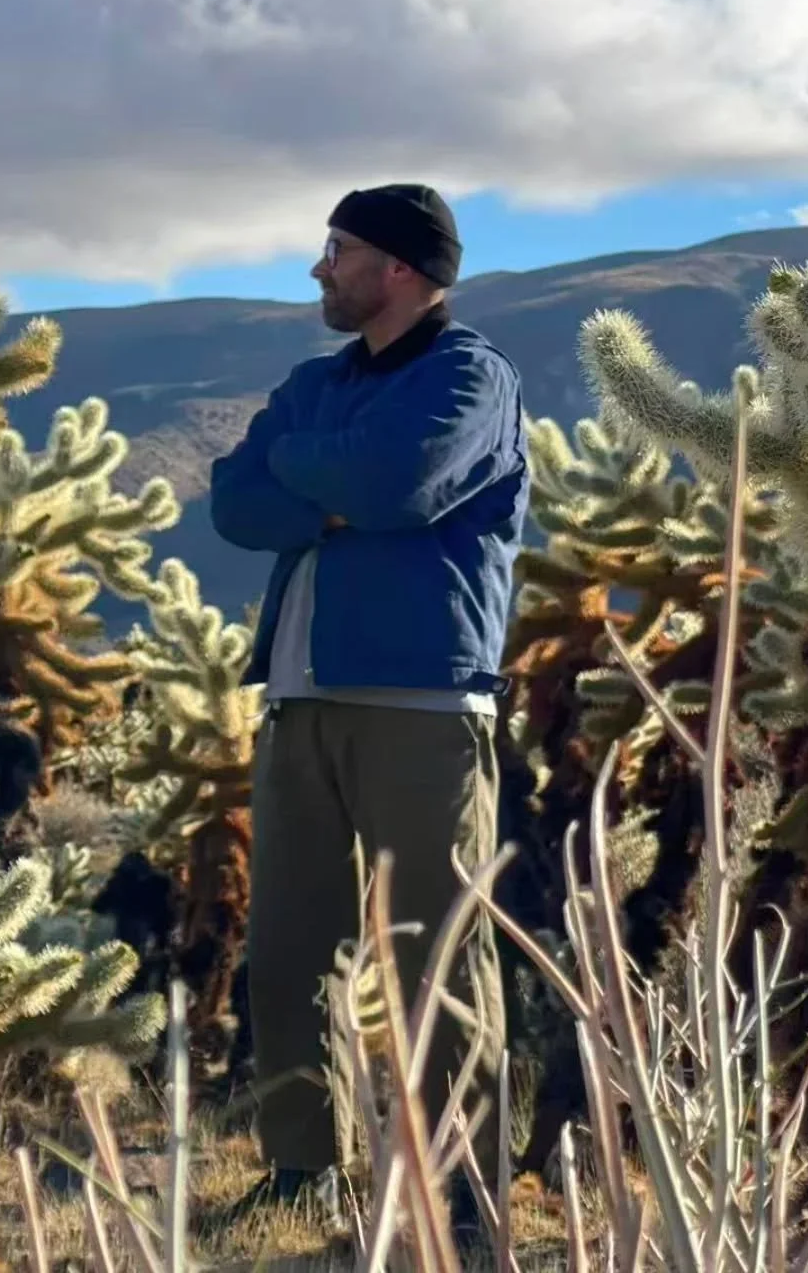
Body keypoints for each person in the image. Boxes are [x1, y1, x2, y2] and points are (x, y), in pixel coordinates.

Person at [209, 183, 529, 1239]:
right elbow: (236, 502)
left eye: (338, 249)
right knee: (289, 952)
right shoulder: (315, 382)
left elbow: (401, 483)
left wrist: (312, 473)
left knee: (438, 955)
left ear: (399, 266)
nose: (320, 267)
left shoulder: (471, 377)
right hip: (298, 697)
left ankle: (464, 1194)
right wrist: (331, 487)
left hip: (420, 700)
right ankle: (303, 1168)